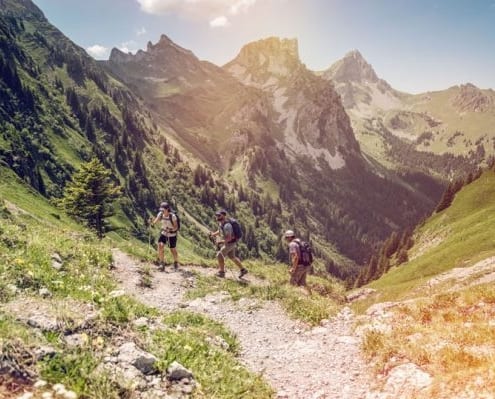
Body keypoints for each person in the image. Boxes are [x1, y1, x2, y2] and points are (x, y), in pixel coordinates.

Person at [209, 209, 248, 278]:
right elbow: (220, 230)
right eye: (216, 215)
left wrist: (220, 242)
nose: (217, 217)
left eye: (219, 215)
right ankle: (243, 270)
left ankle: (221, 273)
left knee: (219, 255)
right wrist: (213, 234)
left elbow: (229, 238)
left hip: (230, 243)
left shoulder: (227, 226)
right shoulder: (222, 223)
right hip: (231, 243)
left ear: (223, 216)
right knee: (232, 257)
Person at [150, 202, 179, 271]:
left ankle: (175, 262)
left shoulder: (172, 216)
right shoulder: (160, 214)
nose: (162, 211)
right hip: (164, 233)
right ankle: (162, 263)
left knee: (172, 249)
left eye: (163, 210)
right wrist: (151, 223)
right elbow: (155, 222)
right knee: (160, 245)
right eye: (161, 209)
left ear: (167, 209)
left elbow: (176, 227)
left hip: (172, 235)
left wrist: (171, 230)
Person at [284, 230, 312, 295]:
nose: (286, 239)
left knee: (292, 283)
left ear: (289, 237)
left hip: (299, 266)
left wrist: (293, 268)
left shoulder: (292, 244)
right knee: (302, 283)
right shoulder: (300, 242)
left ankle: (291, 297)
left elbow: (295, 257)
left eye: (286, 237)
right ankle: (310, 295)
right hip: (306, 265)